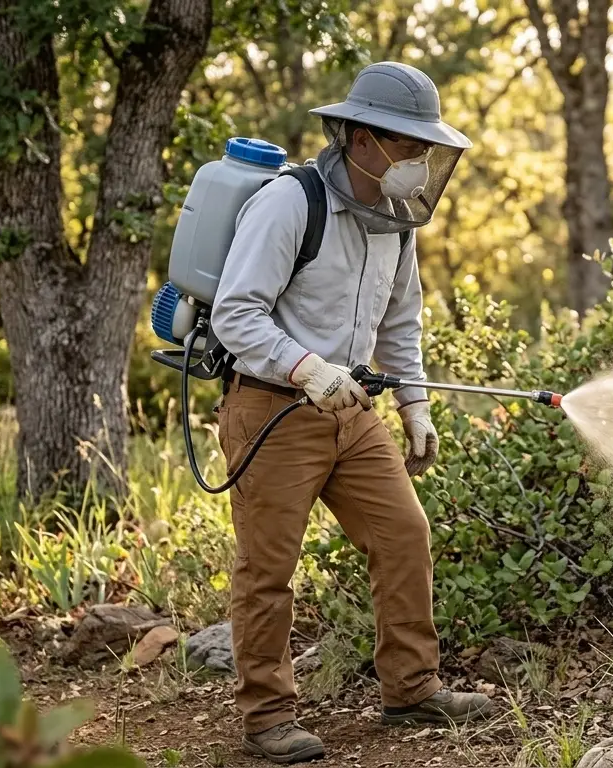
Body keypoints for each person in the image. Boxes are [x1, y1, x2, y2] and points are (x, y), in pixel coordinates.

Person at [210, 62, 492, 763]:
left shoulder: (399, 218)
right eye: (408, 144)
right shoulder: (289, 204)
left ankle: (412, 690)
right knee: (268, 570)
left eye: (427, 148)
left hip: (353, 415)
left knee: (404, 535)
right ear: (361, 138)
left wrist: (416, 406)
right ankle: (267, 719)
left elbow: (401, 323)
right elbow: (235, 314)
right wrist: (307, 369)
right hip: (271, 410)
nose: (420, 160)